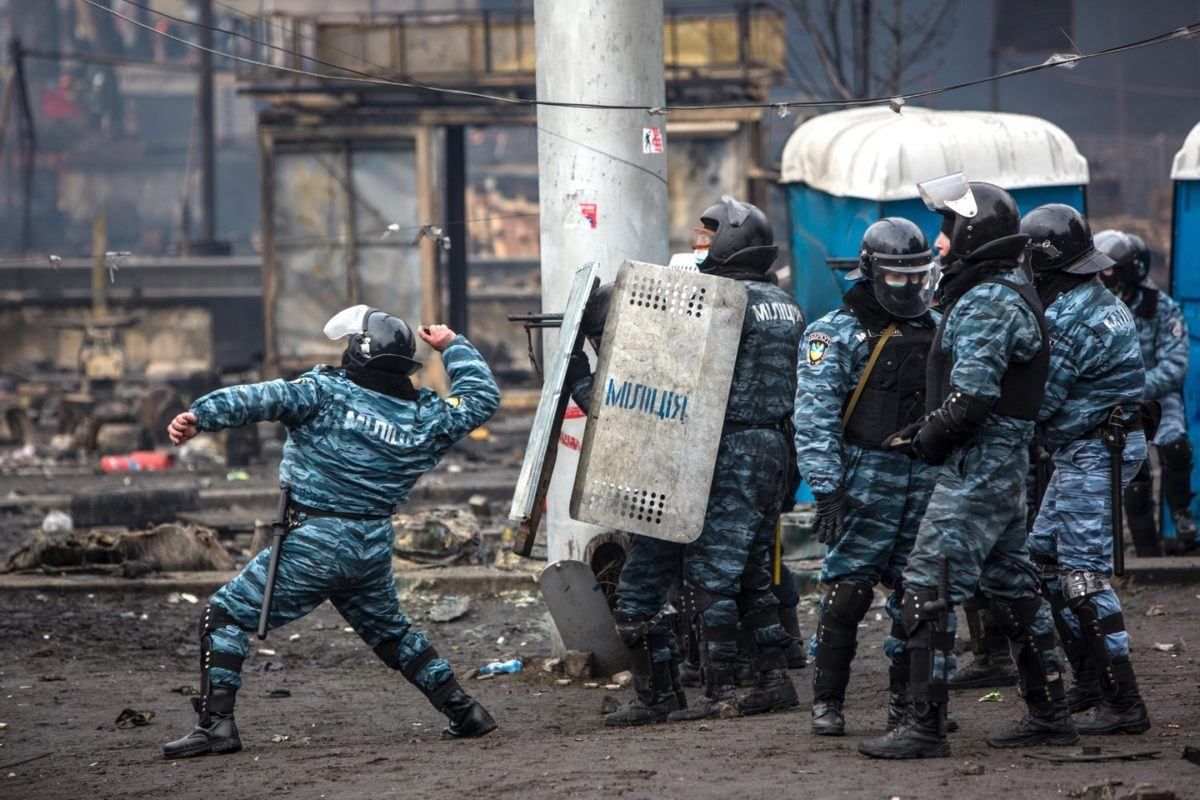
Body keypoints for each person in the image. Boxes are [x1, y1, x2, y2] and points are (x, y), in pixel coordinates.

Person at [161, 309, 501, 758]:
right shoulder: (426, 416)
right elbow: (481, 399)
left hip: (315, 541)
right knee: (391, 634)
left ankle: (217, 726)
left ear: (357, 352)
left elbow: (258, 398)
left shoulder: (324, 391)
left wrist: (199, 416)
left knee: (224, 616)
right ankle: (466, 712)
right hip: (372, 544)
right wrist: (453, 344)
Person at [859, 176, 1076, 760]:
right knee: (1012, 584)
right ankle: (1052, 712)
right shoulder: (1003, 289)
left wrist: (927, 438)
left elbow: (972, 398)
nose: (939, 241)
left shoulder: (987, 299)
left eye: (947, 228)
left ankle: (924, 728)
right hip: (1000, 464)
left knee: (926, 585)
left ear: (973, 231)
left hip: (979, 467)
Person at [599, 196, 805, 725]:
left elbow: (667, 373)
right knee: (753, 570)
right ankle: (772, 680)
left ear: (733, 241)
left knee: (709, 575)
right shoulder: (784, 304)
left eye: (710, 235)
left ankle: (717, 693)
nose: (702, 244)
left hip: (720, 447)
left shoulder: (725, 303)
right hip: (772, 449)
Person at [795, 217, 941, 736]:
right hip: (865, 478)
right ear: (871, 270)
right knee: (848, 591)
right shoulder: (833, 332)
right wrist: (828, 490)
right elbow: (814, 417)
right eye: (896, 277)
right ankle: (827, 702)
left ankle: (911, 706)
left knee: (918, 596)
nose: (908, 287)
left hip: (923, 478)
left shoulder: (937, 325)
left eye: (915, 276)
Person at [1020, 205, 1152, 735]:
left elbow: (1041, 401)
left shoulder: (1069, 316)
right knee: (1044, 558)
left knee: (1082, 575)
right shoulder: (1097, 299)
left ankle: (1125, 703)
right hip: (1095, 446)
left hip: (1096, 450)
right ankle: (1091, 682)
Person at [1095, 230, 1197, 556]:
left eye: (1108, 269)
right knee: (1133, 472)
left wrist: (1135, 389)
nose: (1101, 276)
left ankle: (1181, 517)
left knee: (1175, 445)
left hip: (1156, 397)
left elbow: (1176, 364)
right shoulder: (1095, 309)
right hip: (1116, 406)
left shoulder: (1161, 308)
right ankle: (1146, 550)